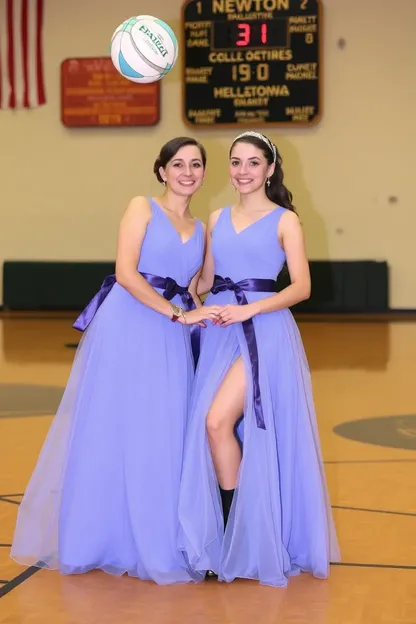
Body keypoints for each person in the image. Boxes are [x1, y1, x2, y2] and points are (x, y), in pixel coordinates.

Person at [11, 136, 221, 585]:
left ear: (204, 173)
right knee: (116, 425)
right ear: (161, 171)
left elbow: (201, 283)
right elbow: (126, 273)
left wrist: (216, 305)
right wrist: (178, 312)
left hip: (171, 331)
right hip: (130, 324)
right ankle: (100, 539)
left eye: (196, 164)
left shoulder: (203, 227)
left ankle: (156, 537)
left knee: (162, 429)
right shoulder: (141, 207)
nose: (188, 171)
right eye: (178, 163)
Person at [178, 130, 341, 587]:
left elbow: (301, 287)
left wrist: (250, 307)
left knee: (215, 422)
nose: (242, 171)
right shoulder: (215, 217)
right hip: (220, 333)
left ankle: (239, 533)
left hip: (263, 332)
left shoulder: (285, 220)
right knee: (211, 429)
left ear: (270, 169)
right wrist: (179, 301)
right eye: (235, 162)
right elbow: (205, 281)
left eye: (253, 162)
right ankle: (237, 534)